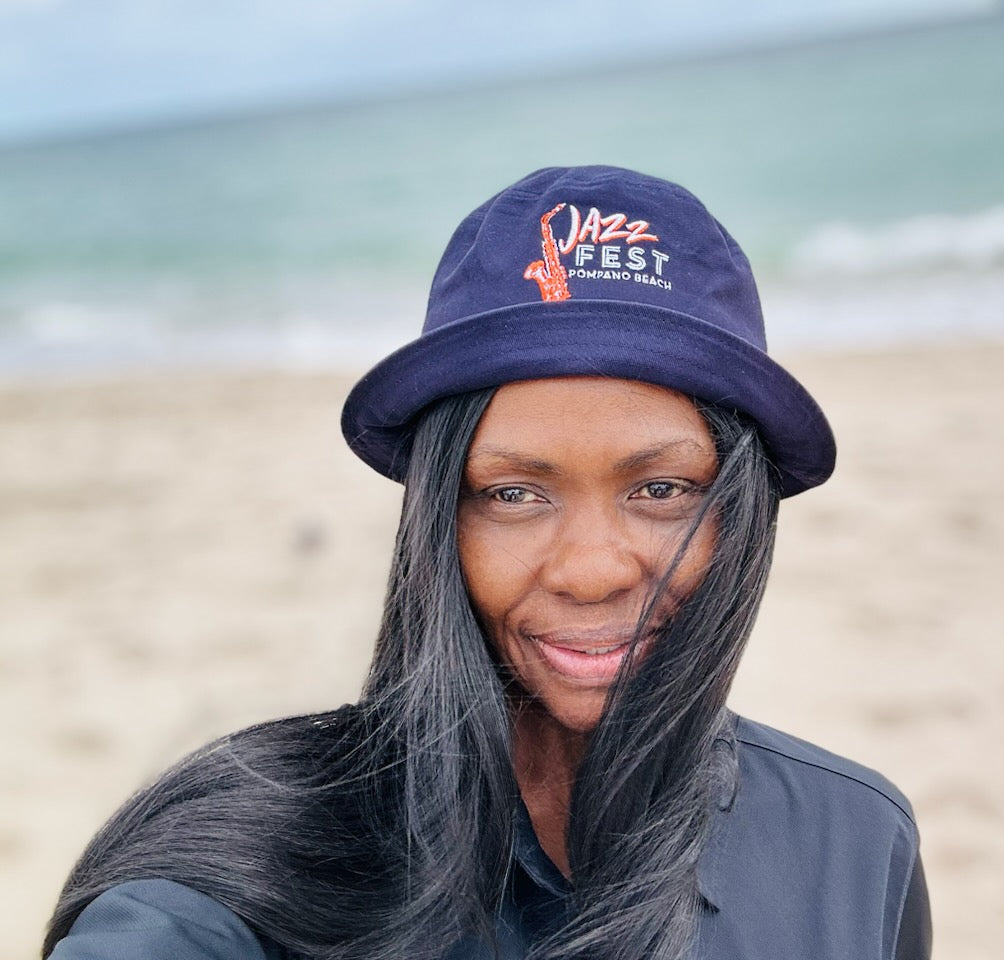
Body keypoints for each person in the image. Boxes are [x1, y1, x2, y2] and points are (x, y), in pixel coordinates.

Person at [43, 165, 931, 960]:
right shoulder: (255, 859)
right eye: (514, 494)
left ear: (740, 512)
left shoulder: (854, 844)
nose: (591, 571)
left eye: (661, 489)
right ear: (440, 516)